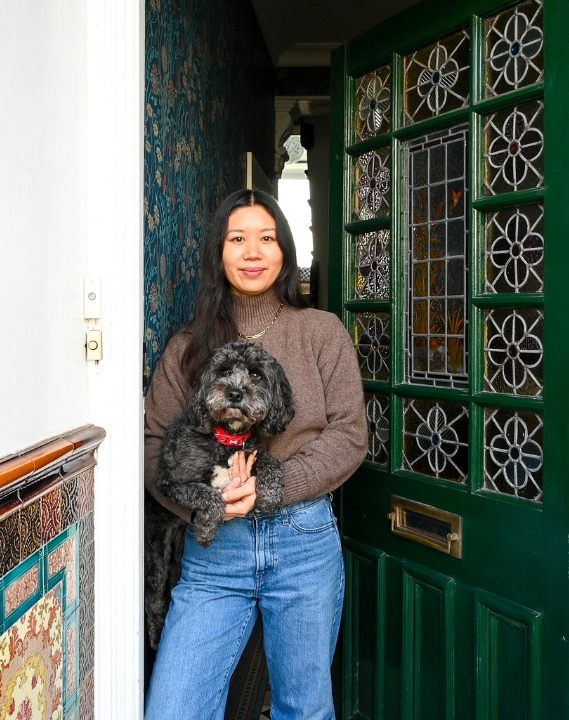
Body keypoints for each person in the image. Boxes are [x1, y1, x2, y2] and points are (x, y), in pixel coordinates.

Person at [144, 189, 367, 719]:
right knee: (173, 709)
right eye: (237, 238)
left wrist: (270, 485)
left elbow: (350, 435)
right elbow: (153, 447)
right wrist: (207, 504)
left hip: (302, 541)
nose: (252, 252)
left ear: (284, 250)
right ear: (218, 253)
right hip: (214, 548)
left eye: (266, 238)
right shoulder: (187, 347)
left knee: (303, 709)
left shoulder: (321, 332)